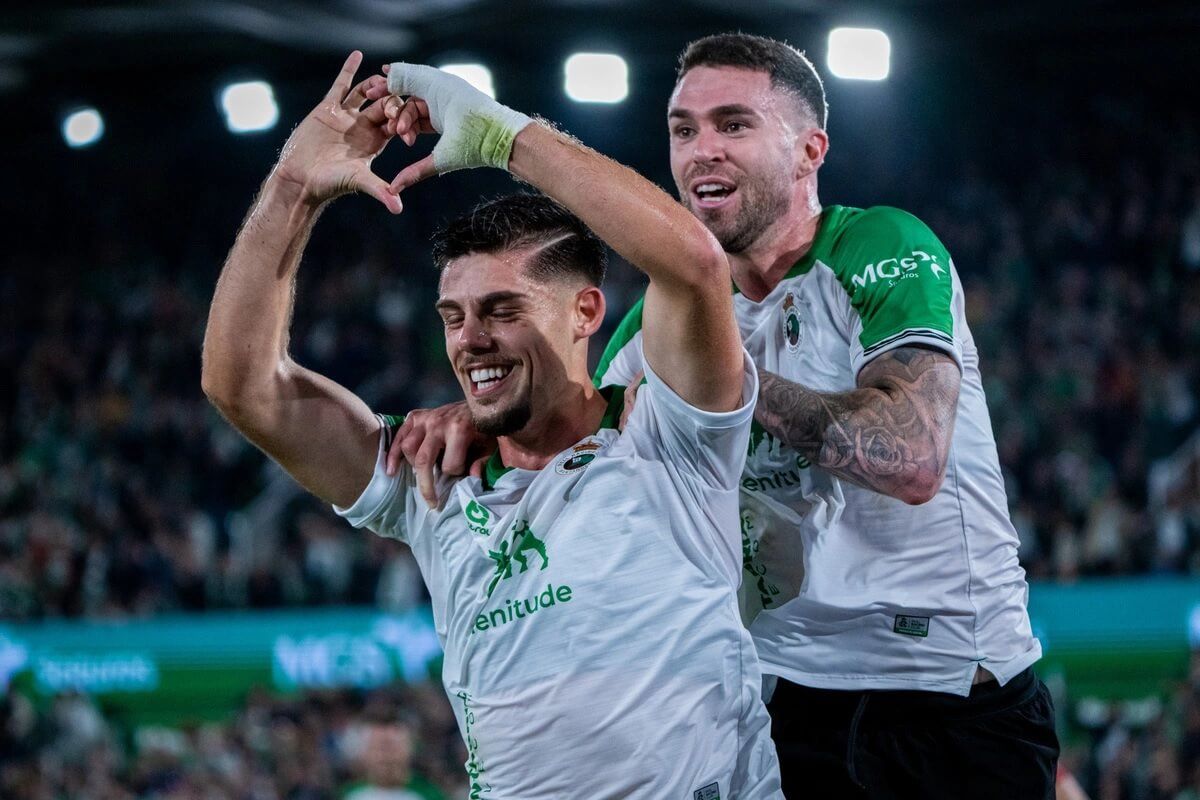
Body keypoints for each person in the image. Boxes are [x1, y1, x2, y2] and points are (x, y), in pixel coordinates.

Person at [391, 33, 1060, 799]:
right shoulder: (653, 331)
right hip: (785, 701)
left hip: (948, 699)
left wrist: (728, 385)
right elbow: (571, 429)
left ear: (810, 150)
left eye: (733, 125)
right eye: (683, 130)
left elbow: (912, 459)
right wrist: (479, 412)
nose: (701, 150)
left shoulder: (881, 247)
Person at [201, 52, 781, 799]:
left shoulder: (670, 434)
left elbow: (695, 264)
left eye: (503, 311)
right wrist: (291, 188)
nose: (470, 340)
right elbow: (243, 386)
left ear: (585, 313)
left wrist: (502, 136)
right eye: (454, 317)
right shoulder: (431, 476)